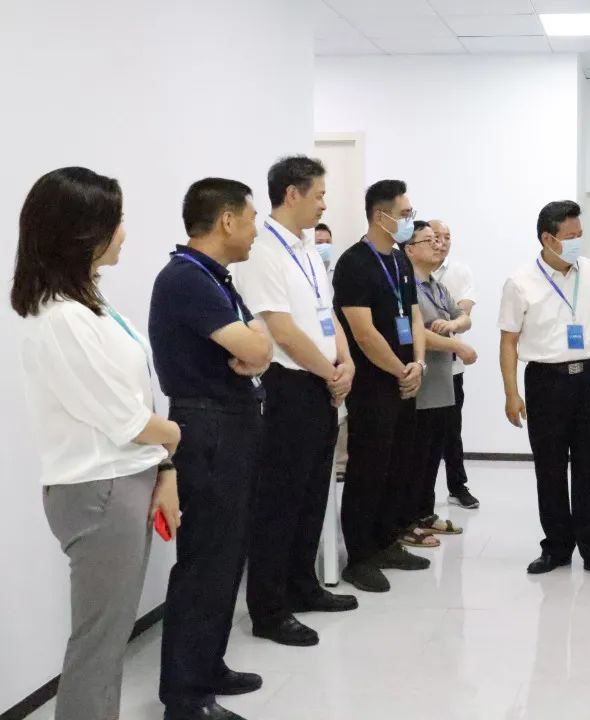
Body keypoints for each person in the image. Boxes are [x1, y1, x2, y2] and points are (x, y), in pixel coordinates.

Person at [12, 167, 182, 720]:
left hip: (123, 481)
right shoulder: (62, 319)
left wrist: (164, 468)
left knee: (108, 641)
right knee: (99, 644)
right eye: (118, 220)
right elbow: (127, 419)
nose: (125, 232)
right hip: (100, 490)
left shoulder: (93, 308)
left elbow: (135, 400)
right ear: (84, 233)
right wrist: (175, 434)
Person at [150, 178, 273, 720]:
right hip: (208, 424)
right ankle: (185, 696)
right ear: (226, 220)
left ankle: (208, 666)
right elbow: (254, 346)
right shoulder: (186, 278)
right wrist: (256, 345)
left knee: (228, 554)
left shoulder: (214, 277)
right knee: (206, 559)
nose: (254, 230)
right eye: (251, 218)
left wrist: (257, 344)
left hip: (230, 420)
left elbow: (260, 344)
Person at [232, 156, 358, 649]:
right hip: (288, 386)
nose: (325, 203)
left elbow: (328, 314)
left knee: (312, 495)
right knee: (279, 501)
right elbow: (281, 330)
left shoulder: (308, 249)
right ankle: (269, 608)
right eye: (319, 194)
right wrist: (330, 372)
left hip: (323, 382)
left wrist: (345, 363)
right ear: (292, 194)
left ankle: (303, 585)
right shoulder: (263, 251)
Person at [498, 200, 590, 582]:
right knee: (550, 466)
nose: (577, 243)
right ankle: (556, 547)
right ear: (547, 238)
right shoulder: (520, 281)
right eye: (570, 236)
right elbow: (508, 341)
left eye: (580, 235)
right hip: (545, 381)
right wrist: (511, 393)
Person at [333, 179, 429, 593]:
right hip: (373, 384)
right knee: (368, 469)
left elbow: (415, 315)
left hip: (405, 380)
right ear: (380, 215)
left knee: (399, 465)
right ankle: (359, 557)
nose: (409, 220)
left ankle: (387, 541)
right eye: (405, 214)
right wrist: (399, 370)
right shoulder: (354, 263)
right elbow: (363, 331)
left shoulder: (400, 260)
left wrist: (418, 364)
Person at [398, 221, 478, 548]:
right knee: (415, 458)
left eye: (440, 240)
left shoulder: (437, 286)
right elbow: (416, 333)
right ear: (409, 249)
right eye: (429, 240)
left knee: (432, 455)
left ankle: (425, 515)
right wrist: (457, 345)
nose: (437, 245)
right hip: (421, 386)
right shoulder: (406, 288)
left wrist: (455, 323)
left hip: (443, 384)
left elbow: (463, 317)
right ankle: (408, 522)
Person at [431, 219, 481, 509]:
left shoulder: (459, 271)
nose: (442, 242)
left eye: (447, 236)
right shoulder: (410, 271)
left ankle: (457, 486)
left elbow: (463, 313)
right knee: (421, 435)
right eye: (436, 236)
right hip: (420, 366)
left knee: (452, 429)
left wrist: (449, 322)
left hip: (451, 366)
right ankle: (418, 495)